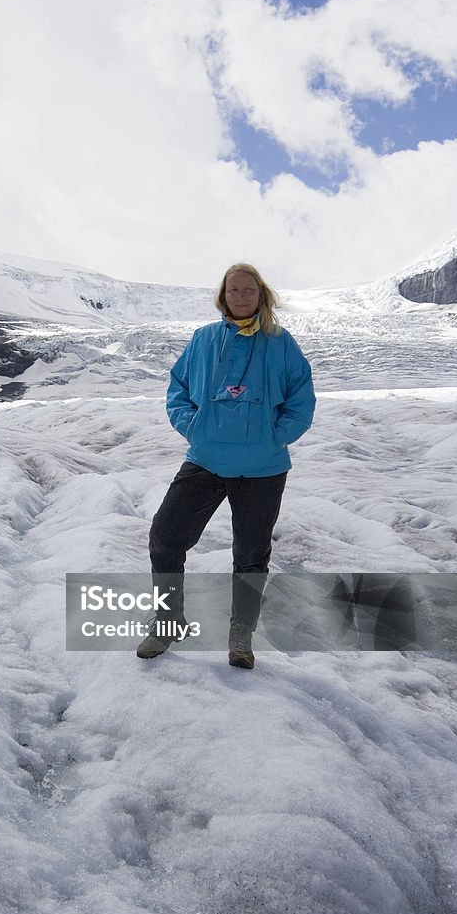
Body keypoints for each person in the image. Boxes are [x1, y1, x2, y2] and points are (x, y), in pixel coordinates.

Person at [137, 262, 316, 668]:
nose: (240, 296)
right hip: (206, 459)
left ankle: (241, 634)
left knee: (251, 556)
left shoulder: (281, 343)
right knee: (165, 538)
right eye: (233, 290)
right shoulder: (202, 340)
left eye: (248, 290)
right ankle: (167, 620)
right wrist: (194, 427)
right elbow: (178, 389)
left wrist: (275, 436)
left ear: (261, 295)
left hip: (263, 467)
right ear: (223, 296)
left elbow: (301, 399)